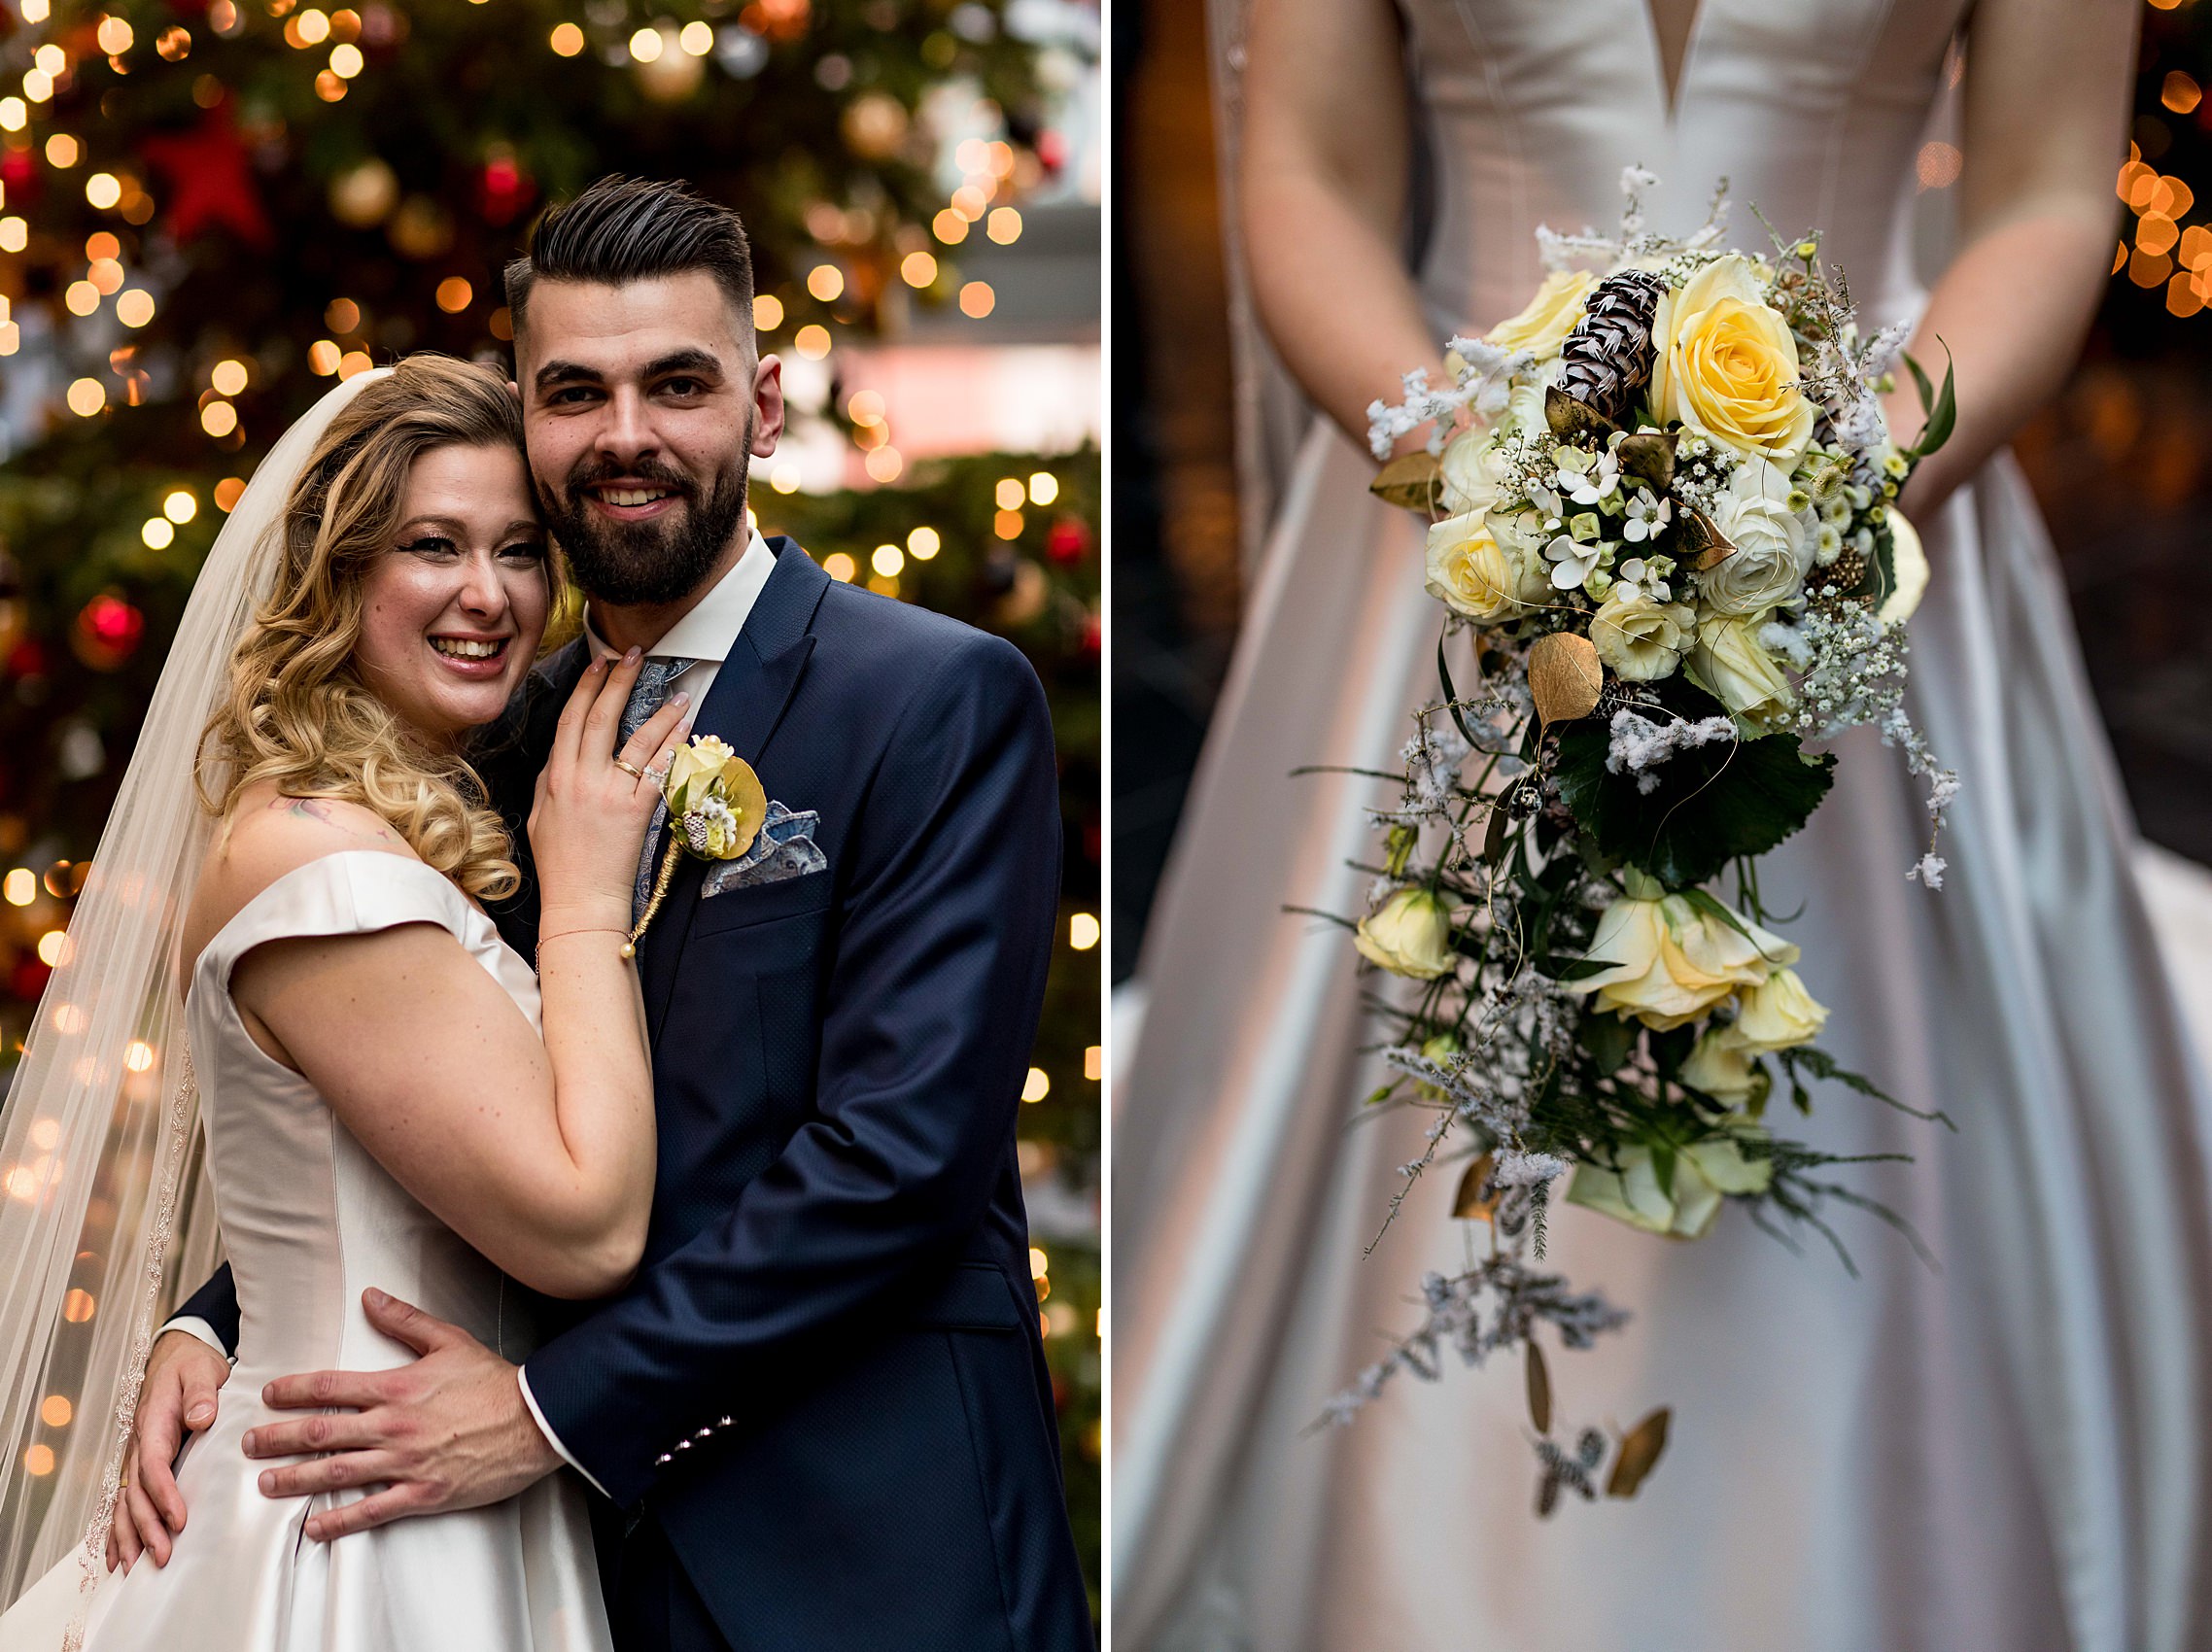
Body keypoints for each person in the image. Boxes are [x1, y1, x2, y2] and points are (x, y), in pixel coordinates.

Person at [1113, 2, 2212, 1649]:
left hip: (1881, 527)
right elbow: (1313, 181)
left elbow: (2050, 196)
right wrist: (1505, 486)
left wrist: (1834, 500)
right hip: (1463, 539)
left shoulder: (1862, 491)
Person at [114, 178, 1093, 1652]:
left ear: (763, 405)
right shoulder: (492, 743)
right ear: (528, 416)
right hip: (564, 1567)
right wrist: (223, 1320)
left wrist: (545, 1413)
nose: (625, 434)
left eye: (677, 384)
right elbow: (414, 1088)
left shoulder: (932, 700)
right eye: (576, 391)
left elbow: (896, 1163)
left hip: (868, 1549)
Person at [0, 353, 688, 1648]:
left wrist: (205, 1322)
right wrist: (590, 896)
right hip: (352, 1537)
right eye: (433, 546)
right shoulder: (319, 862)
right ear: (338, 574)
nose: (490, 596)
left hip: (431, 1480)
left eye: (521, 550)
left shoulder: (383, 822)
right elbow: (586, 1229)